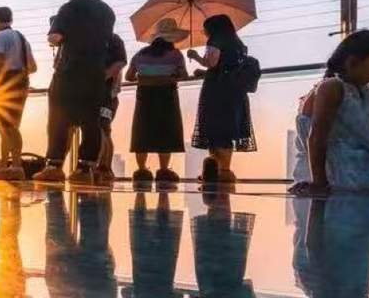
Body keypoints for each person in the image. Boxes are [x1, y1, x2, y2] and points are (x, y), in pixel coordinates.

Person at [291, 30, 369, 193]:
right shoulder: (332, 87)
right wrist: (319, 183)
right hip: (336, 172)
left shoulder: (364, 93)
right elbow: (316, 137)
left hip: (358, 166)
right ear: (355, 61)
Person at [34, 0, 115, 184]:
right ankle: (85, 169)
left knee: (59, 118)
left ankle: (54, 166)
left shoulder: (68, 9)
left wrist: (58, 36)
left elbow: (55, 37)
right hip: (96, 73)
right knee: (91, 122)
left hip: (70, 71)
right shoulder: (107, 12)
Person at [188, 14, 256, 183]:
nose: (204, 32)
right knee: (227, 129)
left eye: (205, 28)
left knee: (214, 128)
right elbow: (226, 67)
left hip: (217, 90)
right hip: (234, 91)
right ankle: (224, 170)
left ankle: (217, 171)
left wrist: (195, 56)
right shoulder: (237, 43)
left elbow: (211, 63)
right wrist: (205, 72)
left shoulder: (216, 39)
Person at [126, 19, 190, 184]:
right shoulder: (176, 55)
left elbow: (129, 76)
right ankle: (163, 170)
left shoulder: (141, 54)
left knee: (142, 132)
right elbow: (184, 76)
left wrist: (146, 75)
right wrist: (171, 75)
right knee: (166, 132)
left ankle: (141, 170)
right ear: (172, 38)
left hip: (145, 97)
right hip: (167, 96)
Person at [0, 6, 34, 180]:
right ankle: (5, 165)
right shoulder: (22, 39)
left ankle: (16, 166)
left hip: (6, 86)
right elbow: (33, 67)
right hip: (21, 85)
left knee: (8, 127)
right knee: (7, 127)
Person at [96, 32, 128, 184]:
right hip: (109, 96)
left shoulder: (112, 40)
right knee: (105, 129)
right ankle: (105, 168)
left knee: (101, 128)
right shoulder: (112, 40)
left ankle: (102, 166)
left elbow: (120, 64)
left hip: (107, 95)